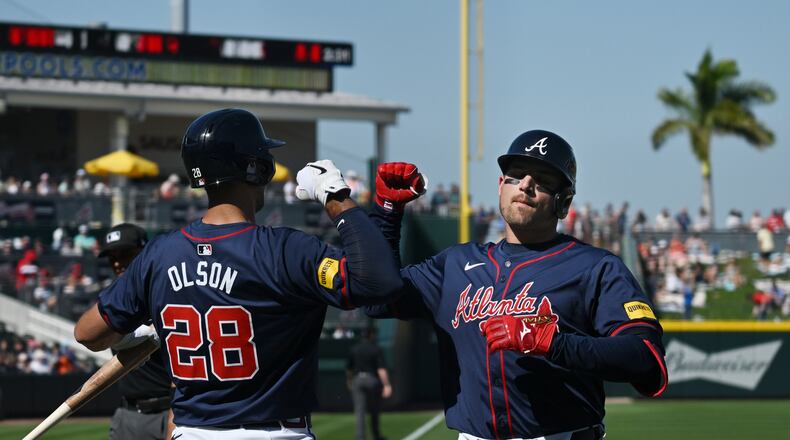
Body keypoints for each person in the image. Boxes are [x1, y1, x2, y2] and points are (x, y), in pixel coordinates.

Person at [74, 108, 404, 440]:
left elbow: (88, 333)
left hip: (191, 432)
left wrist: (143, 330)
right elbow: (379, 281)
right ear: (256, 167)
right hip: (275, 433)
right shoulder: (285, 249)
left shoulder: (158, 254)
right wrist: (334, 196)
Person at [367, 130, 667, 440]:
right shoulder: (455, 264)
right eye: (515, 176)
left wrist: (554, 343)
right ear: (500, 187)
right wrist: (386, 214)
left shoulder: (596, 267)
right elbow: (376, 297)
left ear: (563, 201)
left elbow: (645, 356)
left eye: (543, 179)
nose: (525, 184)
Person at [97, 223, 175, 440]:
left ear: (144, 251)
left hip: (167, 409)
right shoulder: (113, 301)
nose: (117, 262)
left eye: (125, 254)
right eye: (111, 257)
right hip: (128, 413)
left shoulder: (165, 292)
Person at [346, 327, 392, 440]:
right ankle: (376, 436)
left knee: (360, 411)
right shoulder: (375, 349)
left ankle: (360, 438)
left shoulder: (354, 349)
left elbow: (349, 369)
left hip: (358, 380)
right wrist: (387, 385)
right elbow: (381, 369)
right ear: (370, 335)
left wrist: (349, 381)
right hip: (372, 381)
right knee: (374, 410)